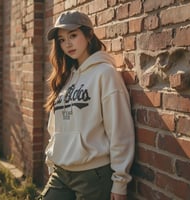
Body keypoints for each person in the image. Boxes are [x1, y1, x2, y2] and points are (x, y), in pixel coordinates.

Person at [39, 10, 135, 200]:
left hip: (93, 175)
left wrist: (120, 182)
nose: (67, 44)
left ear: (89, 35)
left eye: (73, 35)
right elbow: (55, 127)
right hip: (61, 172)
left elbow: (119, 129)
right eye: (61, 39)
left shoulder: (105, 74)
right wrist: (51, 162)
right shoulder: (66, 78)